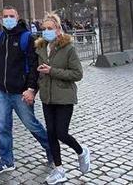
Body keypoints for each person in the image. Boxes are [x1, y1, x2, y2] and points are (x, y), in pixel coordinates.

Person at [0, 6, 52, 174]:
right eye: (5, 16)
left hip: (20, 91)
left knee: (31, 124)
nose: (8, 19)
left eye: (11, 16)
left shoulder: (26, 38)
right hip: (3, 90)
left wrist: (31, 88)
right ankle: (6, 160)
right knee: (2, 127)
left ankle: (51, 148)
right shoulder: (0, 37)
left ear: (17, 18)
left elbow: (33, 66)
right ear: (1, 19)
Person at [31, 13, 90, 184]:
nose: (47, 31)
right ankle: (59, 170)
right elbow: (37, 72)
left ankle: (81, 151)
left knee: (61, 133)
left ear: (58, 29)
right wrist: (33, 88)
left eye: (50, 28)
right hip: (47, 96)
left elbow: (77, 73)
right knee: (51, 134)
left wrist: (52, 71)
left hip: (64, 96)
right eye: (44, 29)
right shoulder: (41, 48)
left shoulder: (68, 48)